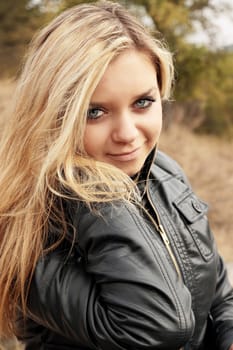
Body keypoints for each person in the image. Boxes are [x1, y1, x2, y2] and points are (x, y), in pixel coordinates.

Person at [0, 1, 233, 349]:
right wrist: (97, 191)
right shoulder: (31, 219)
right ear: (52, 115)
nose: (127, 133)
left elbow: (217, 287)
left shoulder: (162, 170)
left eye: (143, 103)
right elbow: (155, 325)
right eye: (94, 112)